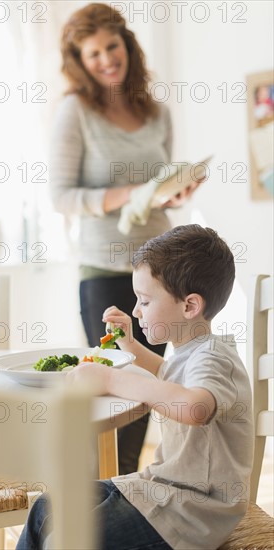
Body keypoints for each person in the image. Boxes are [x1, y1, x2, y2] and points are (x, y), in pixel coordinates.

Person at [16, 224, 254, 550]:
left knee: (67, 538)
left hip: (193, 511)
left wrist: (111, 378)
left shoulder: (214, 358)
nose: (136, 310)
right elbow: (167, 373)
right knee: (46, 508)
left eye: (144, 300)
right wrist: (129, 345)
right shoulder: (192, 352)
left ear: (189, 306)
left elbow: (193, 407)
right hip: (160, 488)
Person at [49, 2, 200, 475]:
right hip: (104, 268)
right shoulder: (75, 112)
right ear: (80, 61)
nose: (106, 59)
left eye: (111, 46)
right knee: (113, 390)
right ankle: (102, 502)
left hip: (160, 272)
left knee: (149, 394)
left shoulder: (157, 112)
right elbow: (61, 196)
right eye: (92, 54)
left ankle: (131, 493)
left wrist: (171, 193)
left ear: (126, 44)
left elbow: (156, 194)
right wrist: (128, 193)